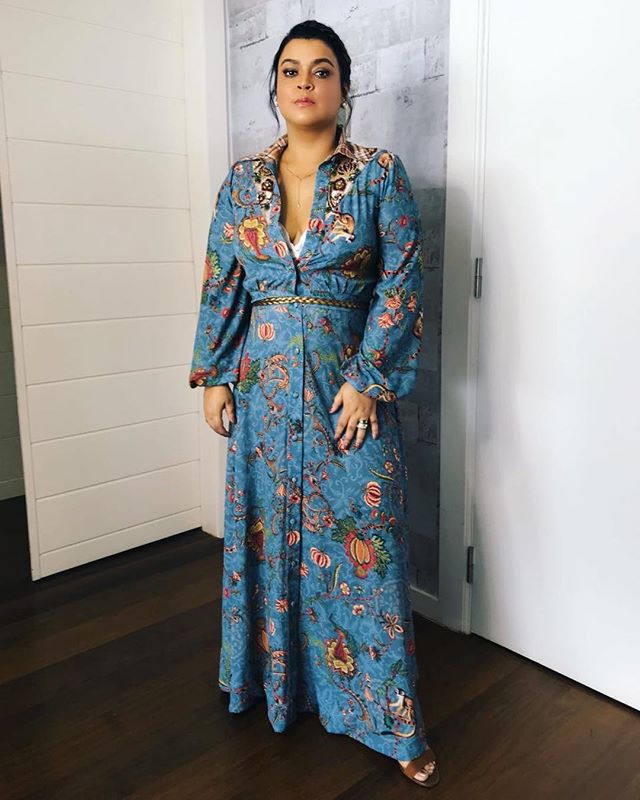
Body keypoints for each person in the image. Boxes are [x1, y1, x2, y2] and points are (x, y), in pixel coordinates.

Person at [189, 19, 440, 789]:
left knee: (367, 549)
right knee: (267, 539)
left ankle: (390, 720)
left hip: (346, 394)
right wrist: (216, 373)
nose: (305, 82)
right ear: (274, 87)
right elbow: (224, 277)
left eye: (322, 69)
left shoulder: (379, 175)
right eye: (291, 69)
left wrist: (367, 378)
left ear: (343, 86)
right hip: (262, 398)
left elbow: (402, 278)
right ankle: (275, 684)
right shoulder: (242, 184)